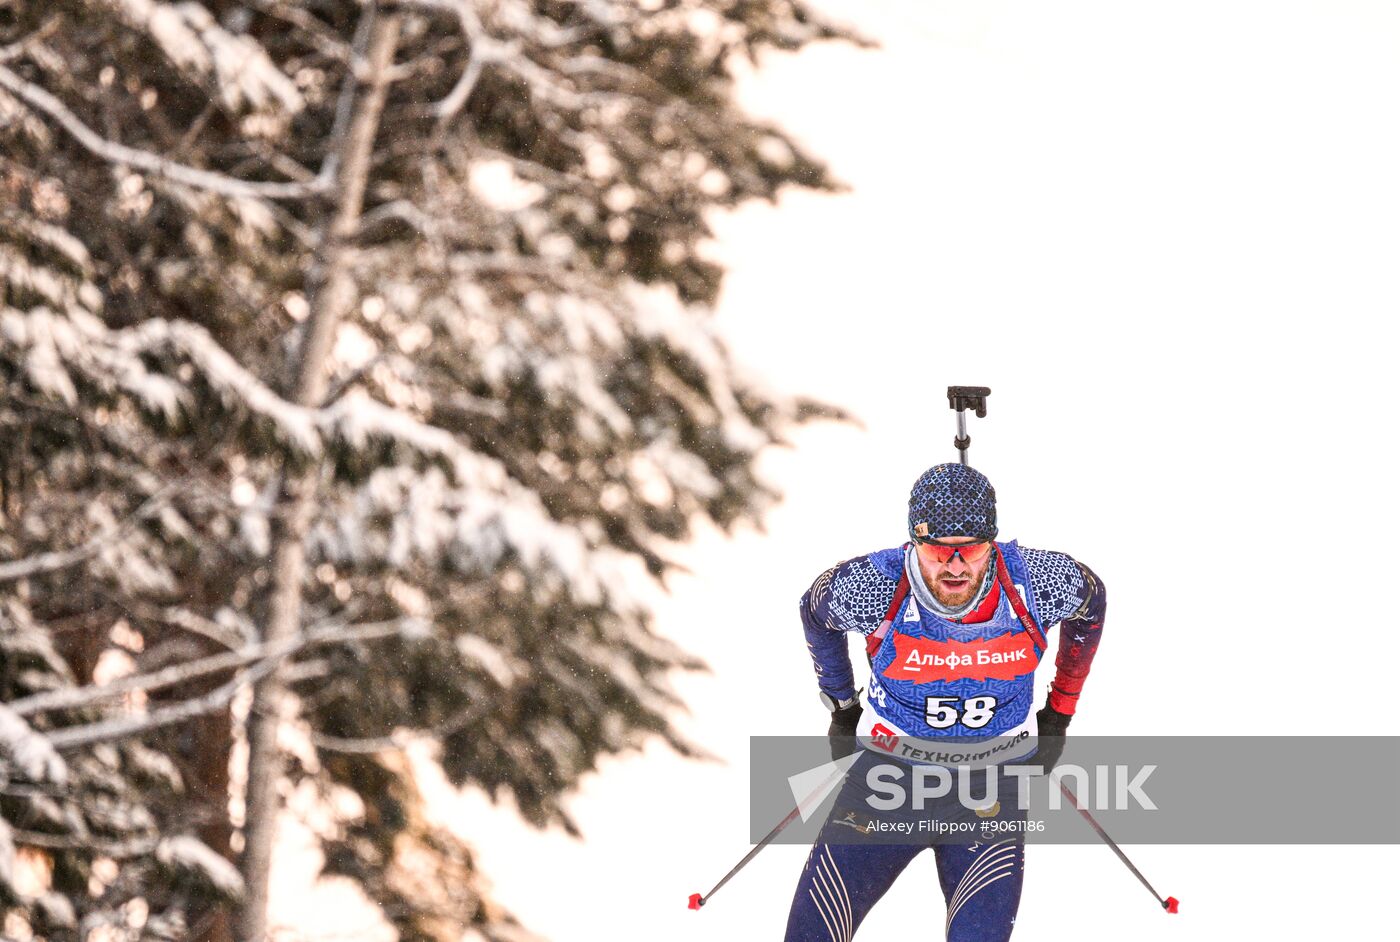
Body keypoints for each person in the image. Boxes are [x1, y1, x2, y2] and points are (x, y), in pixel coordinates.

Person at [784, 463, 1106, 942]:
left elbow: (1092, 602)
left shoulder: (1035, 582)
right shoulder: (874, 585)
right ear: (914, 542)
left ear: (992, 542)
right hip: (887, 783)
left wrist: (1059, 712)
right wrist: (842, 706)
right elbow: (815, 611)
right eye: (938, 550)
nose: (956, 566)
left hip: (989, 790)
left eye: (972, 549)